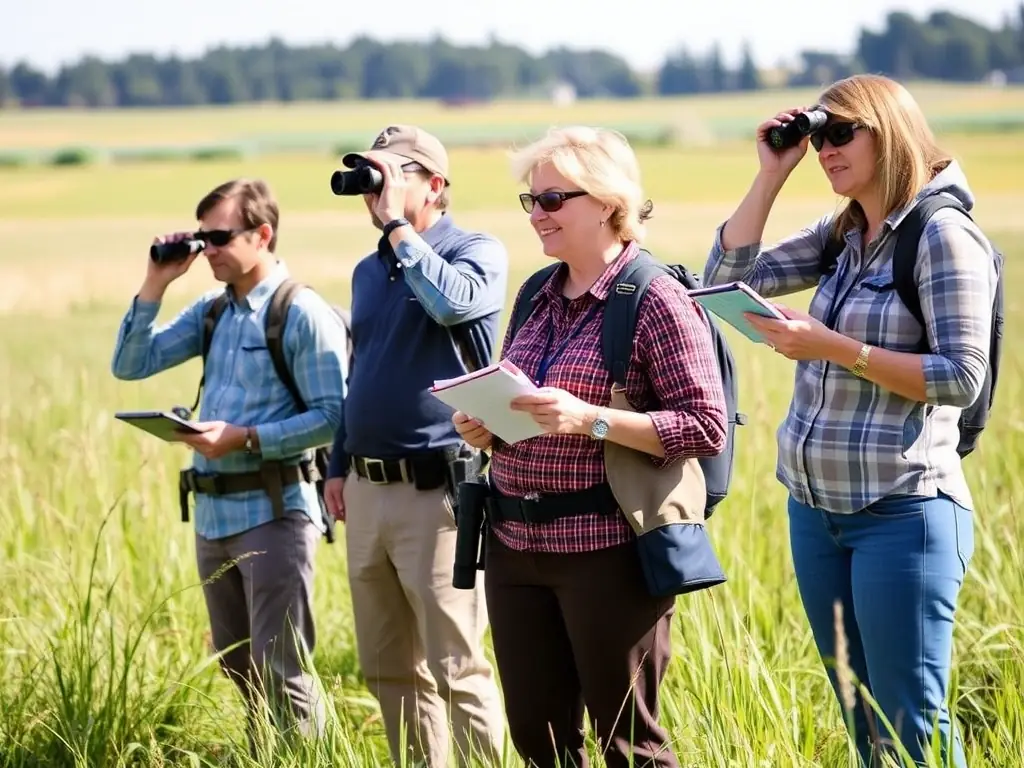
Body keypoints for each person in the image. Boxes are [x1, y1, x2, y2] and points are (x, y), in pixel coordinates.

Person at [702, 74, 997, 767]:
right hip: (817, 512)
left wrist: (834, 348)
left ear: (886, 131)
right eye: (816, 135)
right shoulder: (844, 235)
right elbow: (722, 275)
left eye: (839, 133)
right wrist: (772, 173)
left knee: (910, 729)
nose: (824, 149)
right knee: (863, 724)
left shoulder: (940, 236)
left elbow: (961, 376)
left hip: (904, 513)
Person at [453, 125, 729, 768]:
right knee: (539, 743)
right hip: (516, 548)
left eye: (553, 200)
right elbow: (528, 409)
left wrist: (590, 419)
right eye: (531, 201)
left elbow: (704, 425)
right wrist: (487, 427)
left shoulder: (653, 296)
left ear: (606, 202)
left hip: (608, 552)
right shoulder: (536, 295)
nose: (537, 215)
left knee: (628, 745)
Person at [110, 178, 349, 750]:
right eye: (201, 238)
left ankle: (307, 760)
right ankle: (266, 756)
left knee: (282, 670)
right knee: (239, 668)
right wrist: (155, 281)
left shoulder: (301, 312)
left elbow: (335, 418)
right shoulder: (213, 311)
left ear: (262, 233)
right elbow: (129, 363)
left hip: (276, 511)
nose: (207, 249)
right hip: (214, 517)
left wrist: (244, 439)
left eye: (218, 237)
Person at [322, 125, 508, 768]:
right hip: (367, 490)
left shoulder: (474, 250)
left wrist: (401, 230)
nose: (379, 191)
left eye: (397, 175)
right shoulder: (367, 271)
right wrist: (339, 464)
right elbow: (361, 370)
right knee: (388, 670)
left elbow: (454, 307)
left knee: (456, 666)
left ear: (435, 184)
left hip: (439, 491)